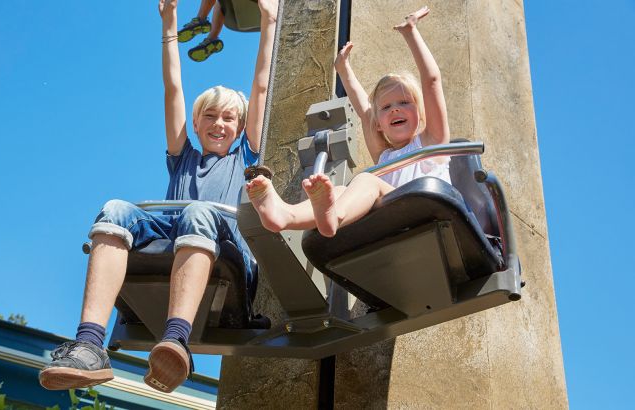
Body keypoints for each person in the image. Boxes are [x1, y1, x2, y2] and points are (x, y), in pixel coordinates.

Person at [38, 0, 277, 394]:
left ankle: (176, 339)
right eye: (210, 116)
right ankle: (89, 345)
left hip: (223, 241)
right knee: (115, 208)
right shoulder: (182, 157)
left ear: (240, 126)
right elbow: (173, 88)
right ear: (196, 124)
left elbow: (263, 84)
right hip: (172, 230)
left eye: (229, 118)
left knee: (198, 212)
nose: (219, 123)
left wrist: (269, 21)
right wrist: (169, 26)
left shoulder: (244, 156)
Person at [246, 6, 449, 238]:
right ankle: (286, 215)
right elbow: (365, 111)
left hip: (429, 214)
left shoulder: (432, 144)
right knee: (343, 189)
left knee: (366, 180)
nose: (395, 110)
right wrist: (343, 69)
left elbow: (432, 82)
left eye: (404, 102)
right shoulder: (384, 156)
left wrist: (411, 32)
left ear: (421, 114)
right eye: (386, 107)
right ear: (379, 124)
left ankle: (332, 215)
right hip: (395, 222)